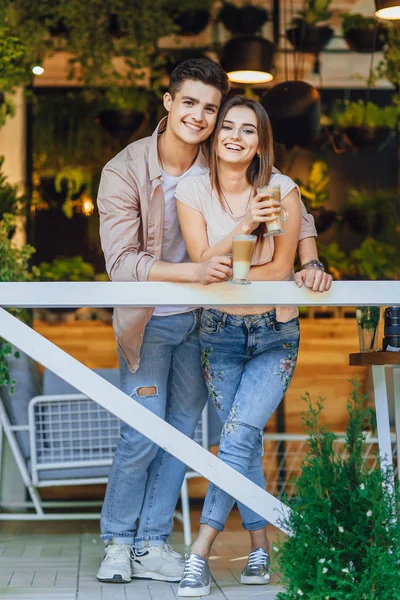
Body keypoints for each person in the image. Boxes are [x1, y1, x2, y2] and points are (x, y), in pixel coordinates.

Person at [96, 58, 331, 586]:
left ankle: (152, 543)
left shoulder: (219, 150)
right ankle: (117, 540)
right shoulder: (125, 170)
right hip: (153, 320)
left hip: (207, 323)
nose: (201, 117)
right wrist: (195, 271)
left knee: (182, 433)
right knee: (142, 430)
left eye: (211, 107)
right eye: (190, 104)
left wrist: (310, 260)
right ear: (168, 102)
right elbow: (121, 264)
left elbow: (292, 202)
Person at [174, 96, 304, 597]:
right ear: (214, 135)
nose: (234, 135)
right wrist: (246, 225)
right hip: (220, 334)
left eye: (247, 131)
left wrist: (228, 260)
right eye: (227, 126)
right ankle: (259, 547)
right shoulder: (191, 190)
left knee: (238, 434)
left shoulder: (282, 190)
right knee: (240, 441)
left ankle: (199, 552)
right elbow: (202, 262)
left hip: (275, 332)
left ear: (260, 143)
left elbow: (279, 270)